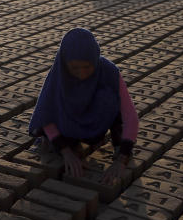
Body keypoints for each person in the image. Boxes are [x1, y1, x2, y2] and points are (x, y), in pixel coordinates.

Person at [29, 28, 138, 185]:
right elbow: (46, 114)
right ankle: (68, 143)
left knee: (109, 98)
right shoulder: (59, 75)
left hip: (95, 126)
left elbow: (130, 116)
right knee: (56, 112)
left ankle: (115, 142)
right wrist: (66, 151)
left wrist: (122, 159)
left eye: (87, 66)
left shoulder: (109, 71)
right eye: (75, 68)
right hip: (66, 125)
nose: (82, 73)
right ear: (65, 64)